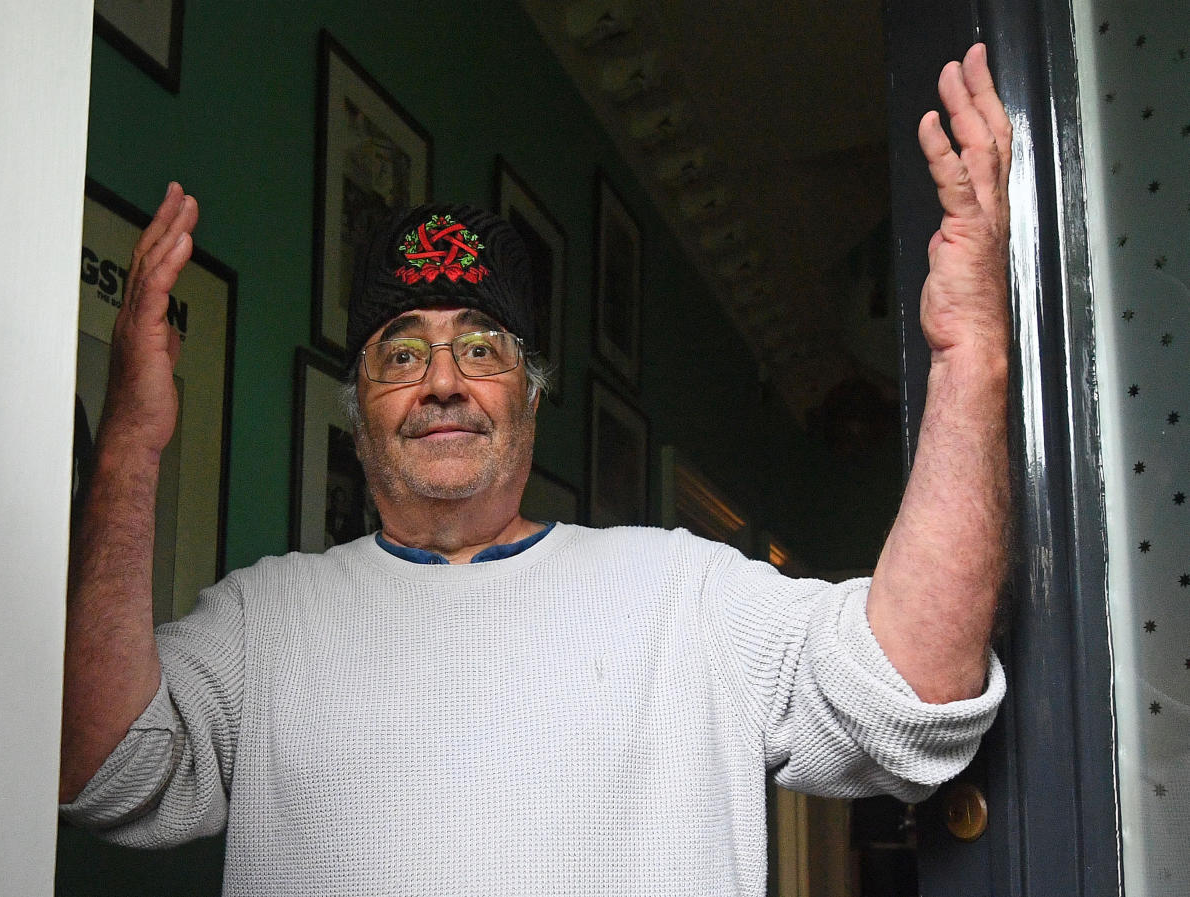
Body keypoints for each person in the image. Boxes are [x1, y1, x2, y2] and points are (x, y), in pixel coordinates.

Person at [60, 44, 1012, 896]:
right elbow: (96, 765)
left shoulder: (688, 594)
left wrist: (970, 352)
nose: (441, 382)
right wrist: (134, 441)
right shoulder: (260, 624)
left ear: (530, 396)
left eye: (482, 349)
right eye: (400, 353)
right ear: (358, 410)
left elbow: (914, 690)